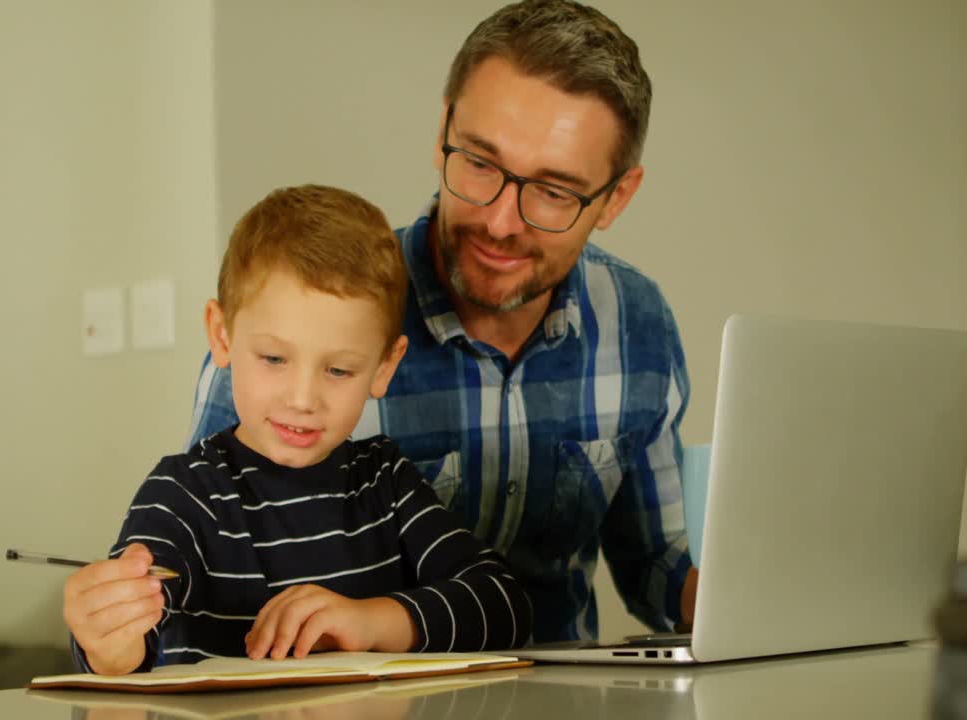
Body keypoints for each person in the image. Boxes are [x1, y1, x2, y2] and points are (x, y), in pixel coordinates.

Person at [189, 0, 697, 643]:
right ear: (442, 134)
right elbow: (202, 569)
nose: (500, 221)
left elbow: (653, 560)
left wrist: (736, 597)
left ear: (616, 197)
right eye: (480, 163)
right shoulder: (311, 322)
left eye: (553, 191)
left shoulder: (639, 324)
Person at [64, 185, 533, 675]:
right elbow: (128, 644)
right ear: (222, 336)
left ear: (382, 368)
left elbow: (504, 604)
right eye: (273, 358)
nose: (303, 400)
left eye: (338, 370)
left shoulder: (385, 484)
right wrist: (109, 643)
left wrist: (371, 623)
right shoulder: (183, 495)